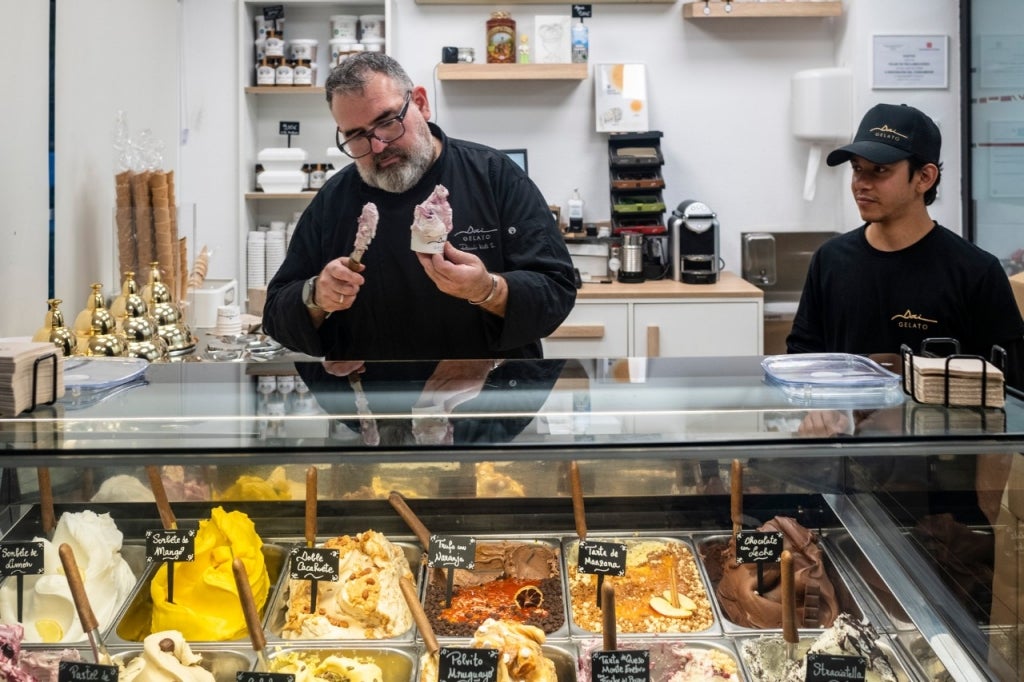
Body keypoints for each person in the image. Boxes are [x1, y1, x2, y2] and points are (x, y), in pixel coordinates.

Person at [263, 53, 576, 360]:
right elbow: (277, 314)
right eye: (357, 135)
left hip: (488, 401)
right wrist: (316, 296)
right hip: (376, 403)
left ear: (421, 104)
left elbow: (556, 292)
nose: (377, 146)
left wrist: (487, 289)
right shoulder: (335, 199)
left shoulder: (494, 176)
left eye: (386, 122)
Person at [787, 102, 1024, 389]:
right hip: (846, 431)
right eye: (857, 169)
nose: (861, 183)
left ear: (924, 177)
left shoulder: (976, 272)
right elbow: (802, 359)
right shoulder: (831, 259)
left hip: (941, 434)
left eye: (879, 170)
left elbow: (1010, 387)